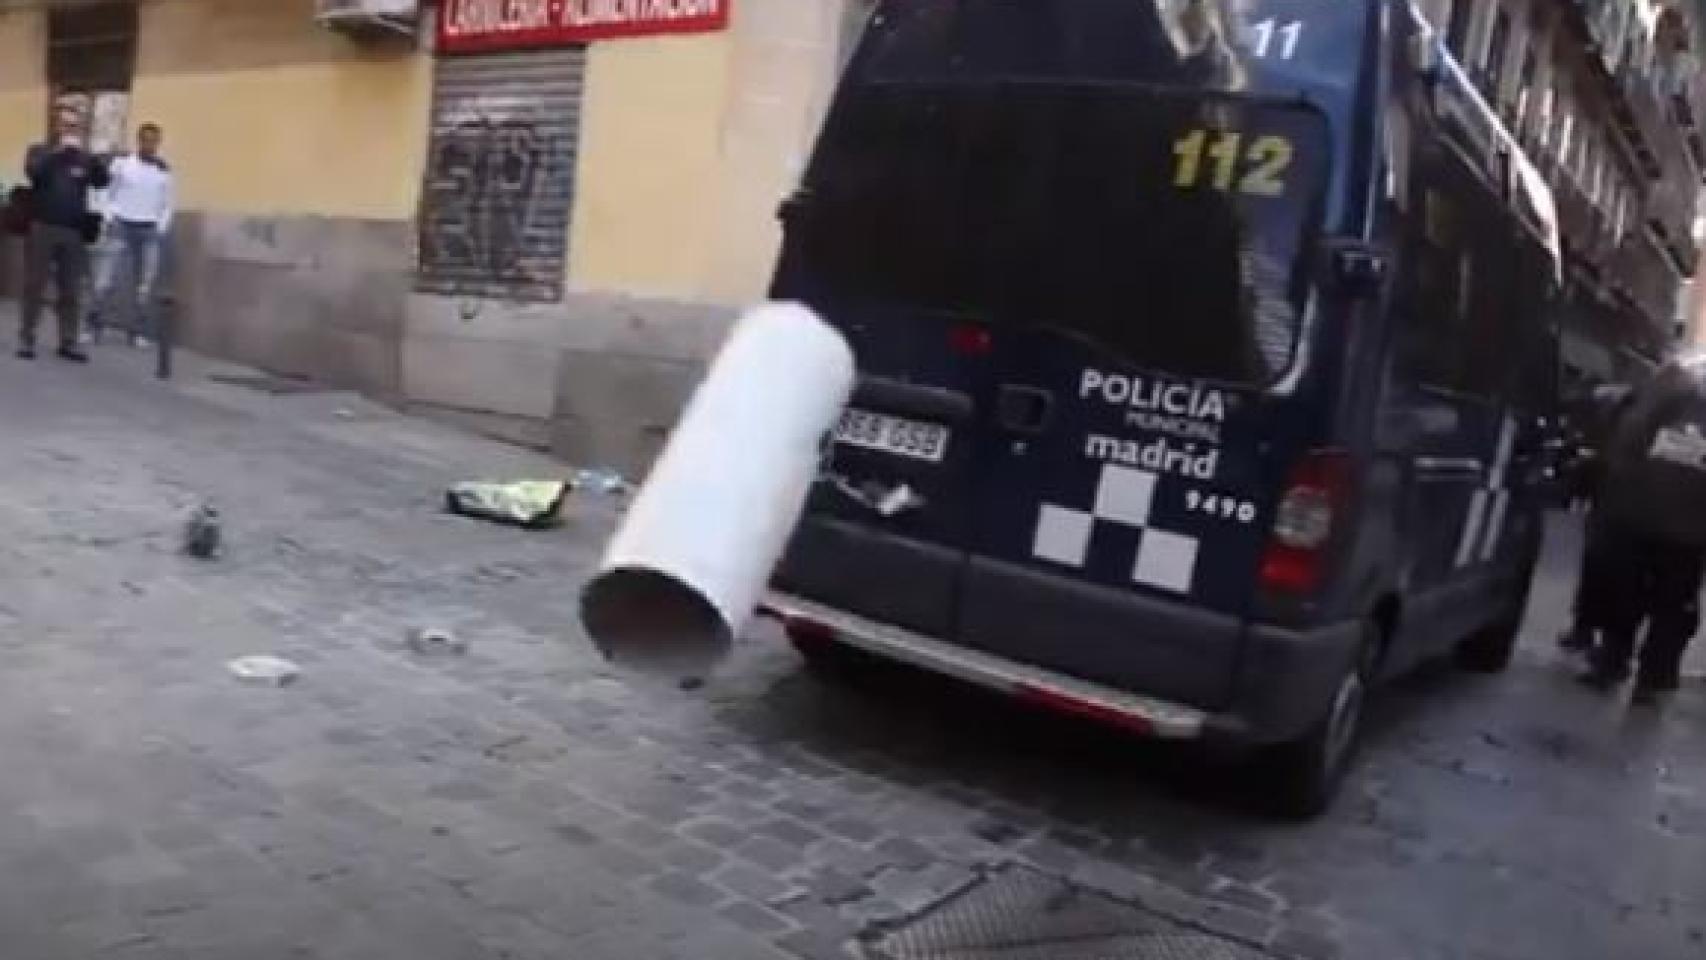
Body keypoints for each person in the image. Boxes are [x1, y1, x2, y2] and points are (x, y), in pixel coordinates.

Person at [1580, 356, 1706, 703]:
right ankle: (1653, 675)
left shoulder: (1654, 401)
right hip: (1683, 531)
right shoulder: (1658, 402)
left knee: (1628, 594)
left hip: (1643, 520)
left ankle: (1615, 661)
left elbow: (1624, 450)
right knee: (1672, 604)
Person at [18, 112, 109, 362]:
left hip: (73, 231)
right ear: (56, 127)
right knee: (34, 285)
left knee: (70, 289)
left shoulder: (84, 158)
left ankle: (68, 341)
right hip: (43, 227)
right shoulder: (40, 151)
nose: (70, 129)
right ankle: (27, 338)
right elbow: (34, 173)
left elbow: (102, 182)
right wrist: (58, 152)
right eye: (66, 125)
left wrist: (95, 158)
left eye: (75, 126)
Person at [87, 122, 173, 348]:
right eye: (145, 140)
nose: (149, 145)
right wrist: (108, 215)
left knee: (144, 284)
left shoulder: (162, 170)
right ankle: (92, 326)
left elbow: (167, 202)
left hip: (148, 229)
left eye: (153, 141)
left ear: (158, 143)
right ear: (139, 141)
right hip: (122, 225)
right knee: (105, 280)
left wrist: (160, 225)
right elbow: (105, 190)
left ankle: (138, 333)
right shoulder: (122, 165)